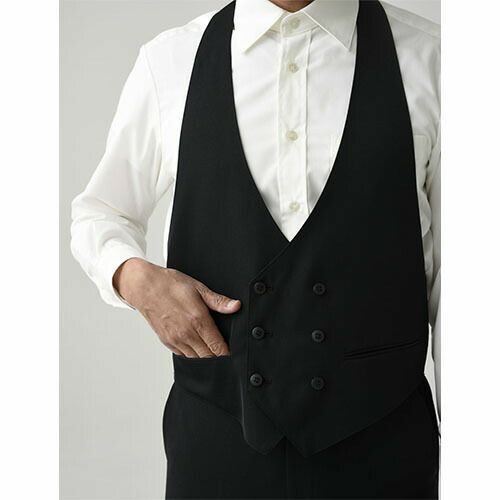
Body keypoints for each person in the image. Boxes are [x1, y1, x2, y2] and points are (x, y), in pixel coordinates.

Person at [71, 0, 441, 498]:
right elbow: (100, 212)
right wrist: (135, 279)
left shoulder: (435, 59)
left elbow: (464, 278)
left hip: (384, 446)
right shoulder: (171, 60)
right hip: (216, 441)